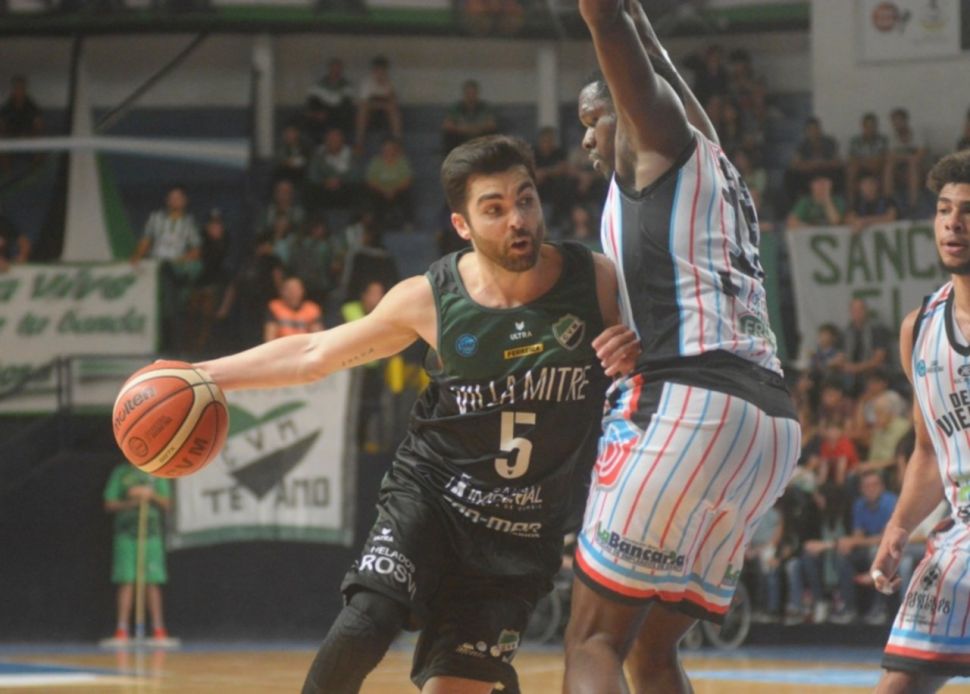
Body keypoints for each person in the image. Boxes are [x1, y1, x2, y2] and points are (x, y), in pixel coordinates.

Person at [194, 135, 639, 694]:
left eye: (525, 200)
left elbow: (669, 359)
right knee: (366, 621)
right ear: (462, 225)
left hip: (522, 534)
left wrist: (636, 359)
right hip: (432, 497)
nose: (518, 220)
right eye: (494, 209)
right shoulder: (432, 298)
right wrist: (202, 374)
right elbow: (313, 353)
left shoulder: (595, 281)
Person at [567, 3, 800, 693]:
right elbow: (650, 51)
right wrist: (638, 17)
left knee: (592, 641)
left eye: (593, 119)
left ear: (628, 111)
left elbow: (615, 33)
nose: (585, 138)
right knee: (651, 651)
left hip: (690, 405)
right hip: (768, 426)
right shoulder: (714, 159)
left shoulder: (656, 143)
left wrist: (609, 16)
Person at [870, 149, 970, 693]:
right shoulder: (920, 327)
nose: (954, 223)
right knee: (897, 686)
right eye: (944, 209)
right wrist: (899, 527)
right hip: (958, 538)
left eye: (968, 211)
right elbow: (929, 451)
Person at [103, 462, 173, 643]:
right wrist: (132, 500)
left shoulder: (157, 472)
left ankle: (158, 630)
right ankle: (122, 630)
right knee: (126, 580)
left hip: (151, 536)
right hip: (126, 535)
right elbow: (109, 503)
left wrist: (150, 495)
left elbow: (167, 503)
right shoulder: (121, 473)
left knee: (152, 581)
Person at [354, 55, 403, 154]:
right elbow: (364, 103)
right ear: (374, 71)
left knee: (394, 110)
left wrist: (388, 91)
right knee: (362, 111)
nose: (380, 73)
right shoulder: (367, 83)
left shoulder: (390, 83)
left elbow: (393, 102)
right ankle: (359, 143)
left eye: (383, 71)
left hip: (385, 116)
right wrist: (382, 105)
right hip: (370, 116)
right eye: (378, 70)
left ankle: (398, 142)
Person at [441, 79, 498, 154]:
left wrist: (477, 129)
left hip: (480, 137)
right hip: (460, 136)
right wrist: (464, 130)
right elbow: (447, 125)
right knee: (449, 135)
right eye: (468, 93)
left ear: (477, 94)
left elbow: (492, 124)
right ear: (464, 94)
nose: (471, 96)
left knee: (492, 134)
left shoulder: (485, 107)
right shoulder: (456, 107)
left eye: (473, 93)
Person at [264, 276, 324, 342]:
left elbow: (318, 337)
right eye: (289, 289)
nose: (293, 293)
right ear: (282, 292)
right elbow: (269, 337)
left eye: (296, 289)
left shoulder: (312, 309)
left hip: (304, 345)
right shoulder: (275, 307)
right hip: (282, 345)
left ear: (302, 291)